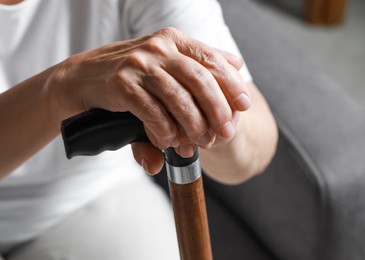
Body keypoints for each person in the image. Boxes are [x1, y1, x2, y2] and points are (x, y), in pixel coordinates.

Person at [0, 0, 278, 259]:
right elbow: (63, 89)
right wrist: (62, 89)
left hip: (91, 191)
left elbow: (256, 146)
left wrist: (212, 115)